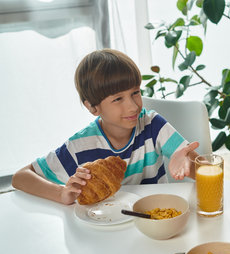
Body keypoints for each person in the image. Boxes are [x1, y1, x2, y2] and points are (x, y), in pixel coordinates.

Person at [12, 49, 199, 205]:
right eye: (118, 99)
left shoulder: (153, 126)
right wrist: (61, 193)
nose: (133, 106)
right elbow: (20, 177)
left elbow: (206, 169)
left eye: (135, 93)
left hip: (155, 220)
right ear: (92, 107)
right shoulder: (80, 146)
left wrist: (190, 165)